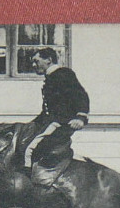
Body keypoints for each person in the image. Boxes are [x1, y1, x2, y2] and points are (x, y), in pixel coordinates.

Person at [17, 47, 90, 185]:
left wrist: (81, 117)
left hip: (61, 123)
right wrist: (30, 125)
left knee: (29, 149)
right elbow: (48, 110)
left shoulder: (63, 74)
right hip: (51, 121)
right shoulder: (51, 77)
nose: (33, 65)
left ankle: (29, 186)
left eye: (36, 61)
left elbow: (80, 95)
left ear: (49, 60)